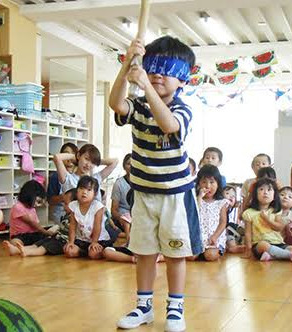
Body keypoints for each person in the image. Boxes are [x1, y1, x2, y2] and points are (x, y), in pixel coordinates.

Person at [110, 36, 199, 331]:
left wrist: (145, 84)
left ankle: (175, 308)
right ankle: (143, 307)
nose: (159, 73)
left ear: (183, 80)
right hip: (144, 194)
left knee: (175, 253)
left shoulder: (182, 110)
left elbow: (169, 125)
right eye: (153, 66)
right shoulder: (138, 107)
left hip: (175, 196)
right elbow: (116, 103)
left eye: (168, 69)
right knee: (144, 252)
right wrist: (126, 67)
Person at [242, 178, 292, 262]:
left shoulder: (276, 211)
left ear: (274, 196)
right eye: (261, 189)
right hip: (259, 244)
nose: (265, 192)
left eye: (269, 190)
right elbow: (247, 233)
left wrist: (266, 219)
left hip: (277, 243)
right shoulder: (249, 212)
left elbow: (279, 227)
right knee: (263, 245)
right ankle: (287, 255)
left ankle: (271, 256)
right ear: (255, 194)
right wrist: (248, 249)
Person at [6, 189, 77, 258]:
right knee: (41, 242)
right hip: (57, 238)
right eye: (63, 203)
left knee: (44, 247)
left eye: (66, 204)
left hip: (64, 242)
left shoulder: (75, 217)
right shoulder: (66, 215)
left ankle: (27, 252)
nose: (63, 206)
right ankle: (16, 250)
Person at [63, 176, 114, 259]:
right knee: (69, 251)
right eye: (81, 188)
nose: (84, 192)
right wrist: (71, 242)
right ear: (77, 190)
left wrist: (94, 242)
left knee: (93, 254)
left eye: (89, 190)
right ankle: (84, 253)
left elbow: (97, 227)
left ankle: (99, 252)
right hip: (82, 240)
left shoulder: (97, 206)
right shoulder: (73, 205)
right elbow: (72, 226)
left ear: (95, 194)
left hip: (99, 240)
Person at [2, 180, 56, 256]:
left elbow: (36, 224)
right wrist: (45, 232)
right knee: (16, 241)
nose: (37, 205)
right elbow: (32, 223)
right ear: (30, 197)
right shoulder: (18, 207)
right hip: (20, 235)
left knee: (48, 240)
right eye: (37, 201)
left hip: (33, 234)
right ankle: (19, 248)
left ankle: (24, 248)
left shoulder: (32, 209)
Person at [189, 165, 228, 261]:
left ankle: (209, 252)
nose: (208, 186)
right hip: (198, 238)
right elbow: (194, 213)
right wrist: (199, 197)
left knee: (210, 255)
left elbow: (223, 222)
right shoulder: (196, 200)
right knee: (190, 257)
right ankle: (200, 253)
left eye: (212, 182)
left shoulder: (221, 202)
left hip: (214, 238)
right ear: (198, 184)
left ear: (218, 184)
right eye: (204, 182)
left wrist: (215, 236)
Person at [54, 144, 118, 202]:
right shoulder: (68, 178)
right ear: (79, 155)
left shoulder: (96, 178)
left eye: (92, 162)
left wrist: (96, 161)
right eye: (86, 159)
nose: (88, 164)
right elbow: (57, 157)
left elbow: (115, 161)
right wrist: (75, 156)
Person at [47, 143, 78, 224]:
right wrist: (64, 197)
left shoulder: (79, 175)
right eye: (66, 154)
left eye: (73, 154)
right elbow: (50, 200)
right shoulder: (55, 176)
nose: (70, 158)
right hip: (59, 215)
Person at [111, 153, 133, 239]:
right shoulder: (119, 183)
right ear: (124, 167)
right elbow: (114, 210)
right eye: (128, 164)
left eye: (134, 163)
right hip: (124, 215)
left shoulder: (142, 183)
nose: (132, 166)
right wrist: (122, 219)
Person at [224, 185, 245, 253]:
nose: (231, 196)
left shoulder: (229, 210)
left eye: (233, 195)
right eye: (227, 193)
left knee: (233, 226)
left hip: (228, 233)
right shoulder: (218, 209)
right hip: (221, 235)